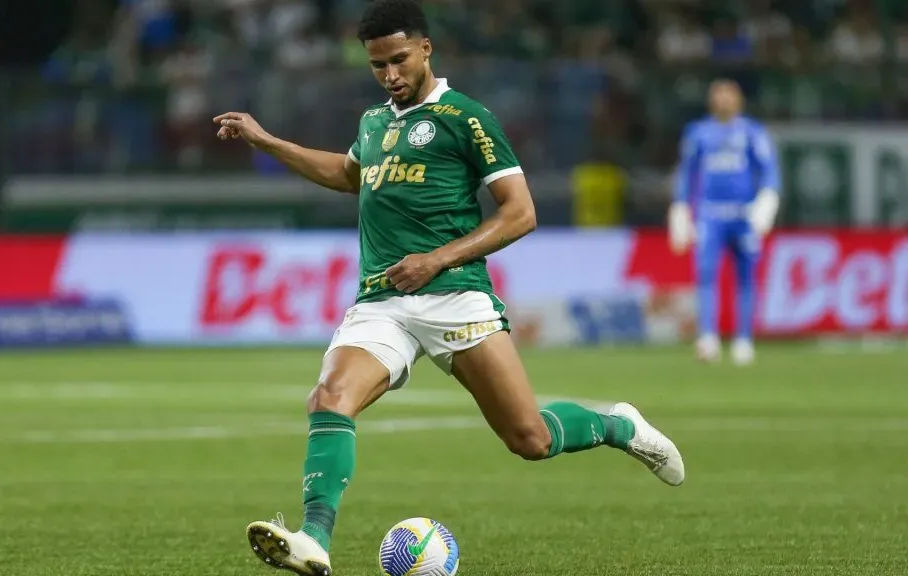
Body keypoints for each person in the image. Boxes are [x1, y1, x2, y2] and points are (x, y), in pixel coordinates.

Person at [214, 2, 685, 574]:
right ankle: (313, 537)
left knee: (529, 438)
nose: (389, 74)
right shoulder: (374, 122)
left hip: (454, 293)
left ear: (426, 49)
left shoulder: (467, 117)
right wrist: (265, 140)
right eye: (377, 65)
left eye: (398, 60)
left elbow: (520, 214)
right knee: (329, 399)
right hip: (382, 300)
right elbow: (348, 174)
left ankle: (619, 425)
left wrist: (435, 260)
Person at [668, 79, 781, 366]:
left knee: (747, 278)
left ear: (738, 99)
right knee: (706, 275)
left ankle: (744, 339)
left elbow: (769, 170)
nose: (723, 101)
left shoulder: (753, 132)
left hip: (744, 215)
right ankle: (708, 338)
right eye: (717, 96)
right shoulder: (698, 133)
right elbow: (686, 173)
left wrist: (766, 201)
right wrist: (681, 208)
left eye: (728, 96)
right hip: (711, 214)